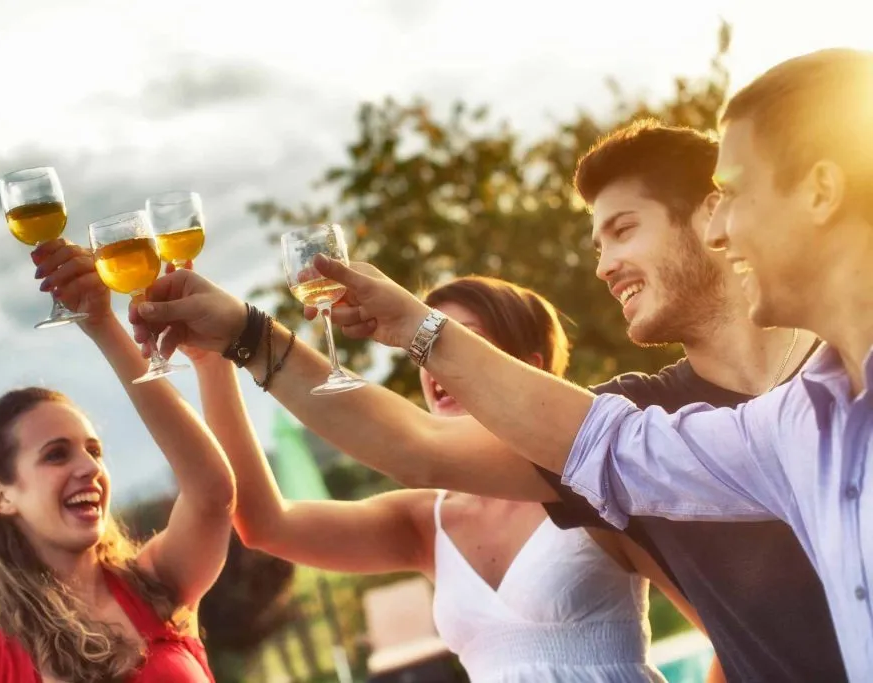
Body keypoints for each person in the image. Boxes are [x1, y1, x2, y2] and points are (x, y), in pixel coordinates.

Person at [139, 49, 873, 678]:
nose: (606, 267)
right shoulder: (765, 426)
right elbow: (414, 446)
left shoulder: (818, 394)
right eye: (596, 246)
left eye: (623, 229)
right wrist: (242, 336)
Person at [190, 275, 666, 682]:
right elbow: (265, 524)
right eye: (423, 350)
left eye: (456, 341)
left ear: (526, 369)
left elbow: (725, 622)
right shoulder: (426, 522)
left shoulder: (593, 485)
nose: (434, 366)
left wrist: (247, 332)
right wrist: (214, 362)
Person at [0, 239, 235, 683]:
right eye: (56, 454)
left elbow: (212, 493)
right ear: (2, 495)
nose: (90, 468)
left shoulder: (157, 585)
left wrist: (103, 324)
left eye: (93, 451)